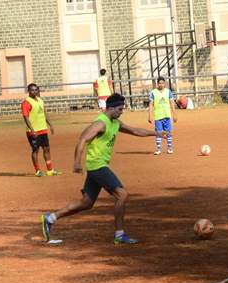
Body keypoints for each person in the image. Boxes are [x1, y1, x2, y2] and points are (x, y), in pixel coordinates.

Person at [41, 94, 168, 245]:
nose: (122, 111)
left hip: (97, 167)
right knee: (122, 195)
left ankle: (50, 218)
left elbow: (135, 131)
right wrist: (76, 162)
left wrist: (156, 133)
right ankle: (119, 235)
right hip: (97, 166)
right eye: (120, 109)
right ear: (111, 107)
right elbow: (82, 139)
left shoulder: (115, 122)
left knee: (86, 203)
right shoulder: (100, 123)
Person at [21, 83, 61, 177]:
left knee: (46, 149)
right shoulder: (26, 103)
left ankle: (50, 170)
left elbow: (44, 114)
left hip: (43, 129)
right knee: (35, 150)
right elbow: (26, 118)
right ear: (28, 91)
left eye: (35, 90)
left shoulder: (40, 100)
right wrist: (32, 130)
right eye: (32, 90)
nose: (34, 91)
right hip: (33, 131)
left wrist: (50, 124)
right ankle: (37, 171)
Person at [148, 76, 177, 155]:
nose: (161, 84)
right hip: (158, 116)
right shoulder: (153, 92)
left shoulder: (168, 92)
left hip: (167, 115)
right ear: (157, 84)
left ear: (165, 84)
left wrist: (174, 114)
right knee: (158, 133)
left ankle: (170, 148)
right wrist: (150, 115)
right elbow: (150, 105)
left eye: (162, 83)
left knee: (168, 132)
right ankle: (158, 149)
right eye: (159, 83)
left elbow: (172, 103)